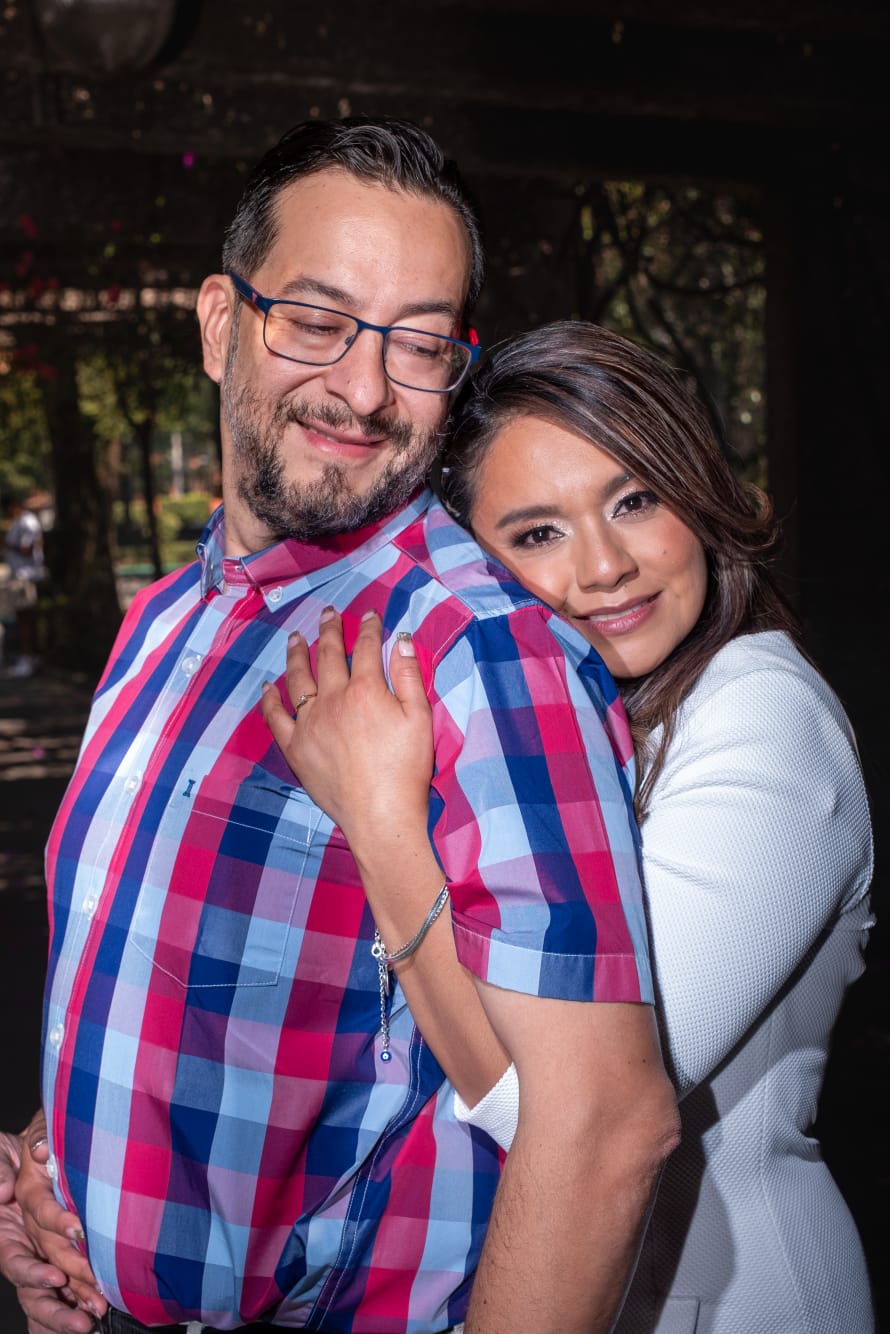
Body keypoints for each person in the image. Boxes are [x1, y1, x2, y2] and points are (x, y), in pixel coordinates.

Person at [0, 121, 679, 1334]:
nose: (364, 391)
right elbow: (150, 977)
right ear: (220, 324)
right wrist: (56, 1178)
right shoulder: (164, 618)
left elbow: (605, 1126)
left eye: (418, 344)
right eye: (315, 320)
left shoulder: (480, 654)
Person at [257, 321, 876, 1332]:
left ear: (697, 492)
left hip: (723, 1301)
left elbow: (568, 1114)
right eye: (537, 533)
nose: (604, 566)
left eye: (635, 500)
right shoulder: (550, 725)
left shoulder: (761, 715)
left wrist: (379, 820)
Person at [1, 494, 46, 677]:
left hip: (25, 576)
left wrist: (6, 544)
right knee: (22, 619)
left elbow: (27, 549)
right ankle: (27, 657)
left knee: (26, 619)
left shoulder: (27, 522)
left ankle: (28, 658)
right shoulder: (20, 522)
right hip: (19, 575)